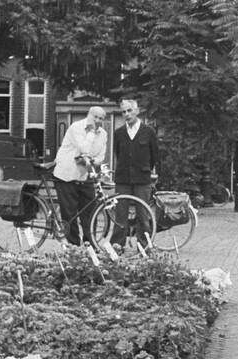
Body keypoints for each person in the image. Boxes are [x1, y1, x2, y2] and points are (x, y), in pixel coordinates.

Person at [53, 106, 108, 245]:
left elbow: (101, 156)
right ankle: (75, 248)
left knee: (90, 212)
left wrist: (94, 160)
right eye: (95, 116)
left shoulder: (103, 134)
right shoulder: (75, 127)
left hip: (86, 174)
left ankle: (90, 245)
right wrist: (90, 132)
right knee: (69, 214)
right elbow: (84, 149)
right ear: (88, 115)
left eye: (101, 118)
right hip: (67, 174)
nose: (97, 120)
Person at [112, 98, 159, 248]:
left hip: (142, 179)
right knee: (120, 214)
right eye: (123, 111)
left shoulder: (148, 131)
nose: (126, 114)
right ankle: (117, 246)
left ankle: (143, 246)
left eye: (129, 110)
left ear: (137, 111)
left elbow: (155, 156)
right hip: (123, 179)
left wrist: (147, 171)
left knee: (143, 214)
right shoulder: (119, 133)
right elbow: (118, 154)